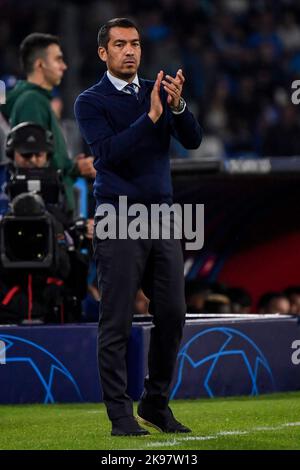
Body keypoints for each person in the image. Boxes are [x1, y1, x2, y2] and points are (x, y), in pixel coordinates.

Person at [75, 17, 202, 436]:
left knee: (173, 311)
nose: (130, 51)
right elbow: (108, 156)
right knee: (116, 319)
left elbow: (194, 139)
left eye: (134, 44)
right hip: (117, 215)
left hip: (162, 216)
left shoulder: (159, 89)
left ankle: (155, 403)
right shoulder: (89, 102)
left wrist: (178, 106)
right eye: (119, 44)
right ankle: (120, 415)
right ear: (103, 53)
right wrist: (149, 117)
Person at [0, 33, 96, 214]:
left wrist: (73, 166)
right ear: (40, 64)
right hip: (44, 212)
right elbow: (34, 167)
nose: (64, 66)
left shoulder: (36, 100)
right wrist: (74, 168)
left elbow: (44, 159)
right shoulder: (32, 102)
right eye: (58, 59)